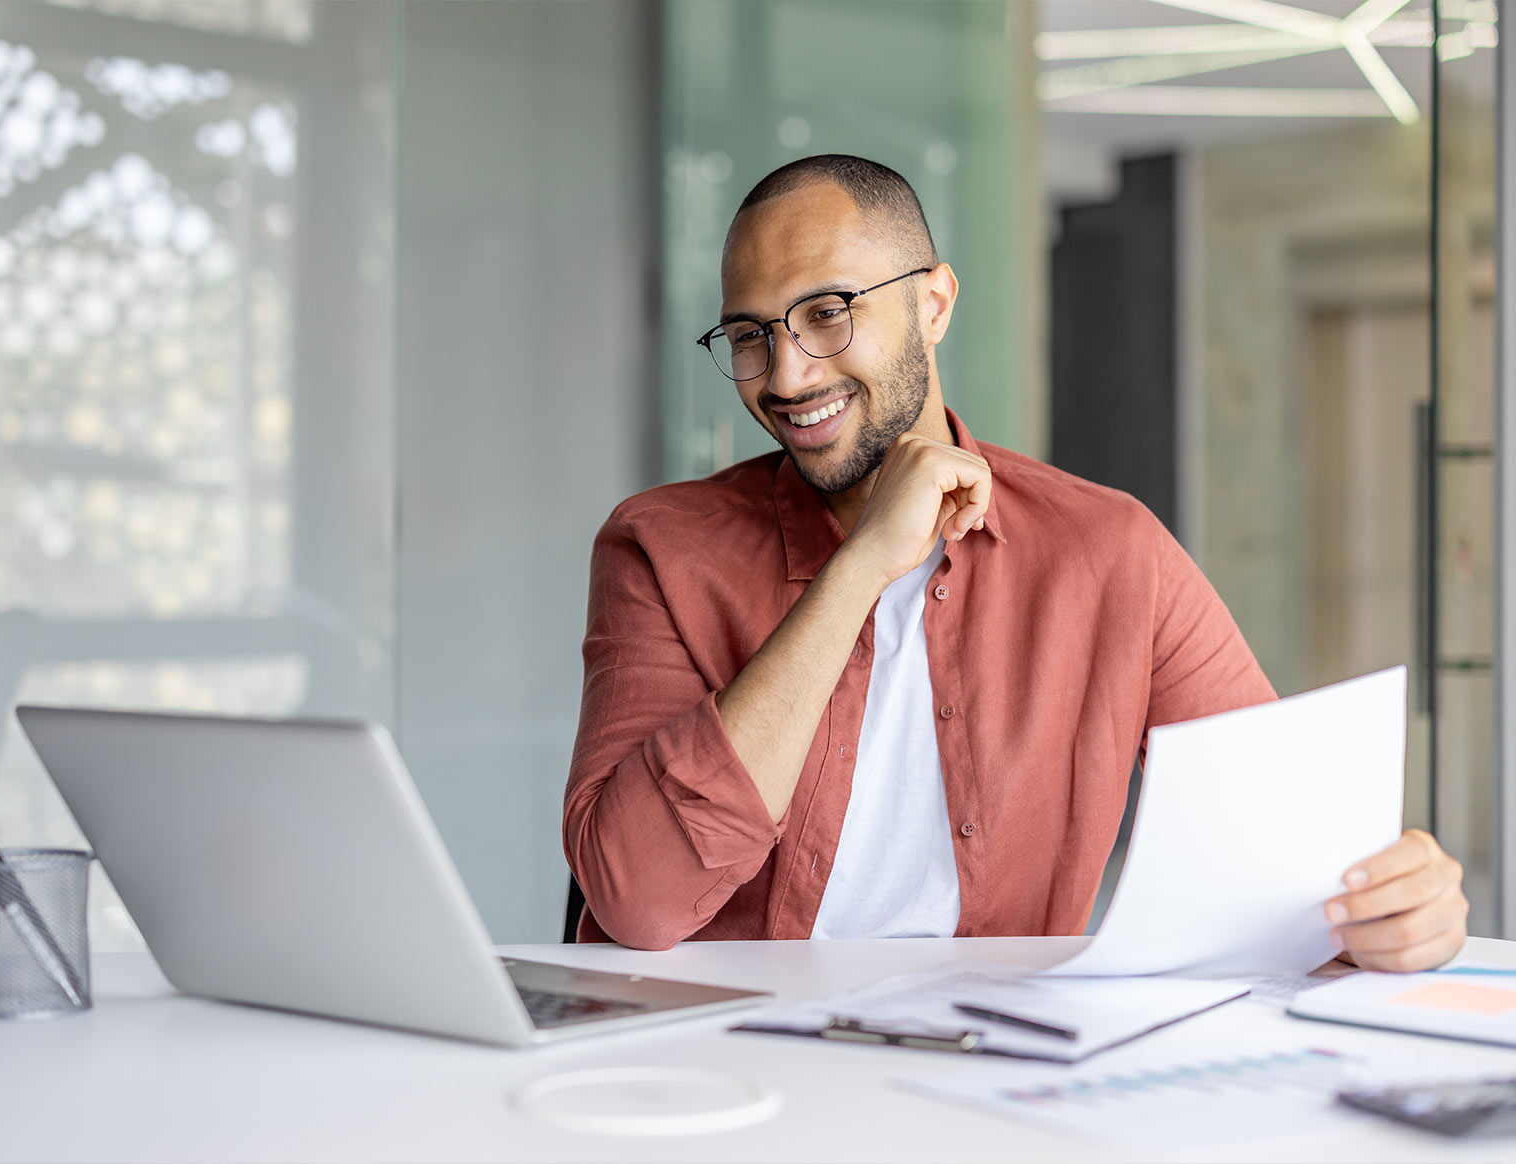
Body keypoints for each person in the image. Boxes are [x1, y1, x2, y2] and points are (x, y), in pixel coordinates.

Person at [563, 154, 1468, 970]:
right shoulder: (661, 548)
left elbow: (1288, 868)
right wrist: (860, 568)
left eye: (828, 315)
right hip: (720, 1066)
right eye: (750, 336)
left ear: (933, 304)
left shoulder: (1110, 552)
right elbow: (638, 898)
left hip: (991, 1062)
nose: (787, 377)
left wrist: (1396, 913)